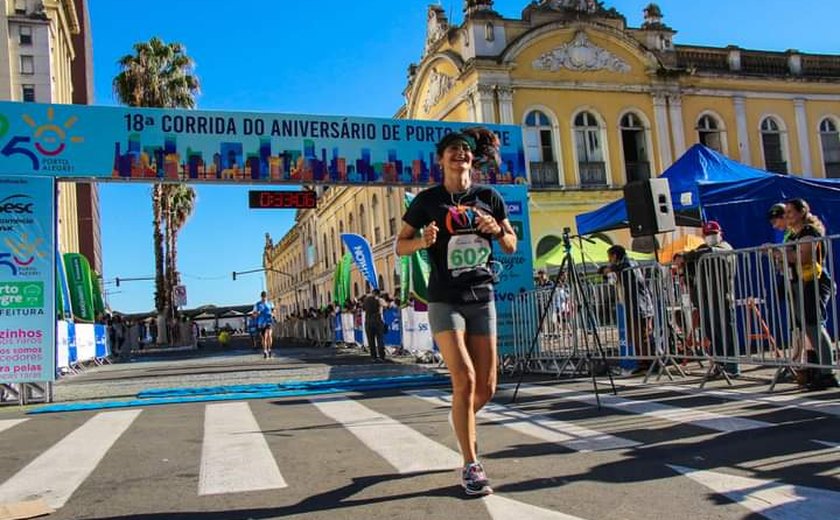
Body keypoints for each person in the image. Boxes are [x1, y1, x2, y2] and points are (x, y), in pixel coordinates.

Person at [396, 129, 516, 496]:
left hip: (482, 297)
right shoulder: (428, 201)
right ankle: (471, 464)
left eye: (464, 151)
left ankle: (459, 417)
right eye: (452, 150)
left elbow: (511, 244)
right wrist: (423, 241)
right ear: (440, 159)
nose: (459, 155)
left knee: (488, 386)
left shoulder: (488, 197)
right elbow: (400, 245)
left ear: (471, 160)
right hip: (445, 299)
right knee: (463, 378)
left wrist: (497, 230)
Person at [783, 198, 838, 390]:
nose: (787, 215)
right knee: (807, 326)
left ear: (801, 213)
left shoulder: (809, 232)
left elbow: (803, 256)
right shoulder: (791, 236)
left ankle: (828, 372)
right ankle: (818, 370)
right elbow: (789, 258)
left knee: (814, 324)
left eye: (790, 211)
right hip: (799, 282)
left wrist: (780, 253)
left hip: (814, 281)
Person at [683, 221, 739, 377]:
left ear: (720, 233)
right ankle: (718, 364)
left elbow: (708, 252)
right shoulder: (701, 251)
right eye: (708, 235)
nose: (711, 237)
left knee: (726, 333)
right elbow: (690, 268)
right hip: (705, 299)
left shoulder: (725, 248)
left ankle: (732, 367)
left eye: (713, 234)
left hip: (722, 298)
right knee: (711, 334)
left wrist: (688, 255)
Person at [601, 245, 654, 372]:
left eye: (610, 257)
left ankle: (650, 362)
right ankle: (642, 362)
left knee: (643, 335)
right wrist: (606, 272)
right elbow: (613, 278)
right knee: (634, 336)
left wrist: (610, 269)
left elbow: (624, 269)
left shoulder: (629, 262)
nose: (609, 260)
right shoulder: (621, 266)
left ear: (614, 255)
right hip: (631, 305)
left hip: (641, 305)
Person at [363, 289, 387, 362]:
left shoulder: (366, 300)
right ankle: (381, 356)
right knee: (380, 339)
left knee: (371, 340)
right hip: (377, 320)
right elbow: (386, 306)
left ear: (372, 293)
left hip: (368, 320)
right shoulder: (380, 300)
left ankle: (373, 357)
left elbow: (363, 308)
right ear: (378, 294)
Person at [251, 291, 274, 358]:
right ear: (261, 297)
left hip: (269, 321)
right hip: (261, 323)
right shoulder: (257, 304)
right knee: (264, 337)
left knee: (269, 335)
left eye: (265, 296)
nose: (264, 298)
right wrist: (257, 313)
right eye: (263, 296)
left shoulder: (270, 303)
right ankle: (265, 350)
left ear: (267, 297)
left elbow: (273, 310)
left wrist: (272, 314)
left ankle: (269, 349)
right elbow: (254, 314)